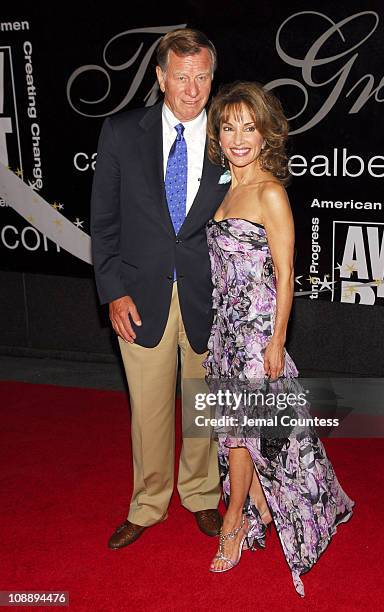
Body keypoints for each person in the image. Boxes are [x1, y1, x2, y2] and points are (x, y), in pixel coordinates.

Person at [203, 81, 355, 597]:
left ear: (267, 133)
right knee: (233, 431)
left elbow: (287, 274)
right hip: (225, 331)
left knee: (243, 435)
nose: (239, 137)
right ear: (218, 135)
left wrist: (275, 343)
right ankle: (263, 506)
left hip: (256, 335)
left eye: (249, 127)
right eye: (229, 127)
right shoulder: (226, 185)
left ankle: (233, 525)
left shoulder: (270, 191)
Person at [90, 29, 230, 549]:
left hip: (207, 295)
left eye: (201, 77)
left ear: (212, 78)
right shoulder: (123, 132)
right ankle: (148, 504)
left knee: (202, 404)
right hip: (138, 295)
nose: (191, 89)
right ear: (160, 77)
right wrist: (113, 291)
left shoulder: (228, 136)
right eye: (180, 76)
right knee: (147, 408)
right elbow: (103, 222)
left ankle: (199, 494)